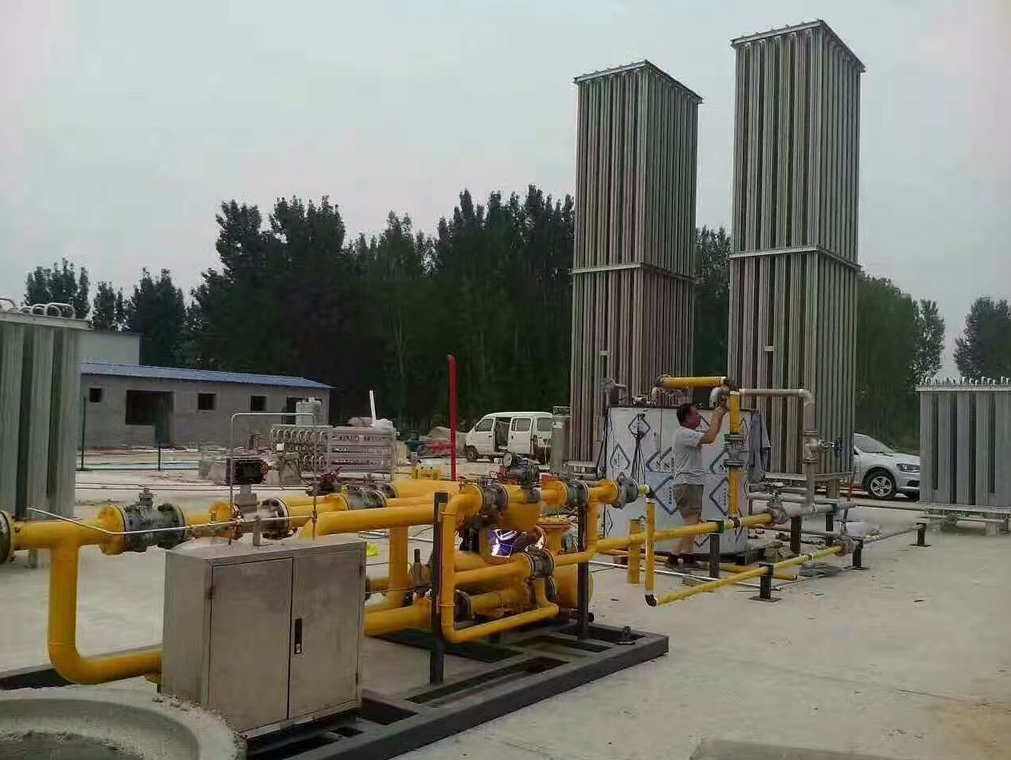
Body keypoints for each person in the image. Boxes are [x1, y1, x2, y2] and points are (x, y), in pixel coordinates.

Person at [669, 402, 726, 568]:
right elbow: (709, 438)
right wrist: (715, 417)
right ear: (686, 418)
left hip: (691, 483)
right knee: (691, 524)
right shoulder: (684, 434)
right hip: (688, 483)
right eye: (695, 414)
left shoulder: (689, 434)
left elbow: (711, 434)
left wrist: (720, 416)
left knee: (692, 522)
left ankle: (688, 557)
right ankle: (673, 556)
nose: (699, 416)